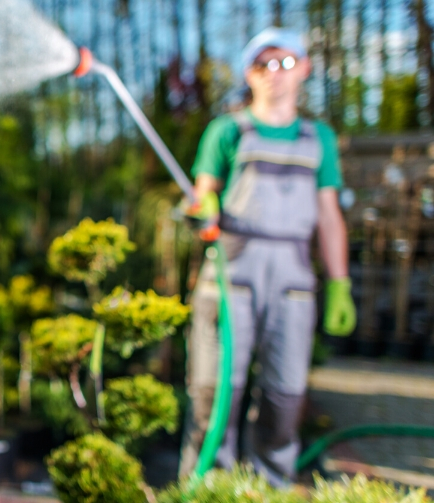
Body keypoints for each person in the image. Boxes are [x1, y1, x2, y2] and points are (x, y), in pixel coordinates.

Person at [178, 27, 356, 487]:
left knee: (285, 397)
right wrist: (203, 212)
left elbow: (329, 216)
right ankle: (208, 490)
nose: (274, 74)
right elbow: (204, 196)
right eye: (263, 65)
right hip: (230, 276)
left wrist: (339, 283)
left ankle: (270, 487)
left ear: (304, 69)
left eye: (284, 62)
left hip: (293, 283)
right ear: (248, 74)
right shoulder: (228, 130)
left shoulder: (319, 139)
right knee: (214, 396)